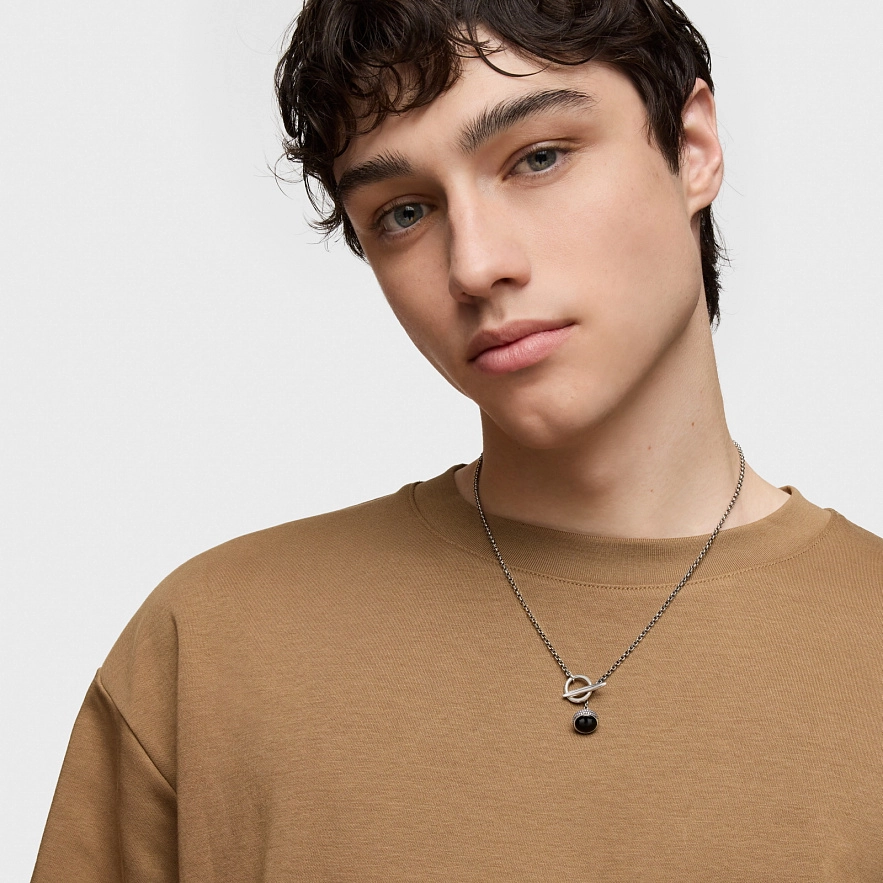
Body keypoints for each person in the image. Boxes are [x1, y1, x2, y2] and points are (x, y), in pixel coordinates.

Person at [32, 0, 882, 879]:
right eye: (404, 212)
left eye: (538, 158)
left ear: (692, 147)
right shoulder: (209, 650)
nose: (474, 265)